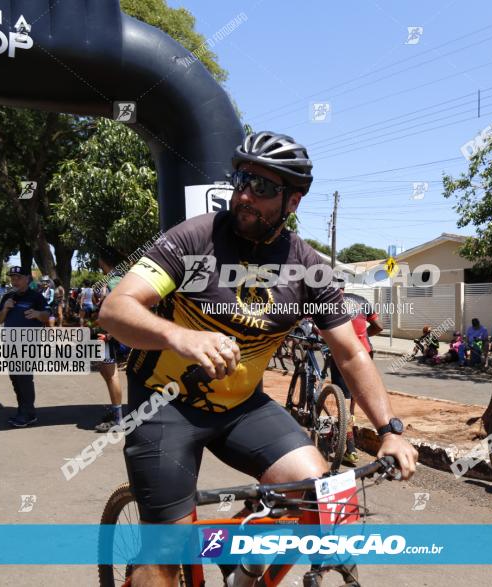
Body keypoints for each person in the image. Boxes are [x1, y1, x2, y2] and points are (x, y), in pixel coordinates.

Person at [99, 131, 416, 587]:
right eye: (242, 178)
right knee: (165, 555)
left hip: (241, 407)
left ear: (293, 202)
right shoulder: (195, 237)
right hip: (162, 406)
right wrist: (180, 336)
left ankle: (240, 559)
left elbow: (350, 351)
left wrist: (389, 430)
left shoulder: (309, 267)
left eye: (263, 187)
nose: (245, 194)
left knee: (314, 490)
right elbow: (116, 309)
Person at [327, 291, 383, 466]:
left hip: (343, 354)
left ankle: (350, 449)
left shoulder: (330, 302)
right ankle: (348, 433)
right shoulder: (361, 300)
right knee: (353, 401)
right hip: (365, 352)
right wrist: (361, 336)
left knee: (343, 401)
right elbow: (379, 326)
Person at [0, 266, 50, 427]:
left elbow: (47, 315)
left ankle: (27, 413)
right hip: (10, 343)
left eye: (18, 277)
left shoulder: (36, 297)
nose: (14, 281)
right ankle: (24, 410)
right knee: (15, 379)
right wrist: (5, 308)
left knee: (24, 378)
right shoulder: (8, 297)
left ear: (27, 279)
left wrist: (38, 314)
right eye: (12, 278)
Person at [92, 249, 128, 433]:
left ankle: (118, 418)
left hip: (109, 335)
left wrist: (111, 334)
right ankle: (117, 414)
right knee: (107, 373)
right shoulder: (121, 278)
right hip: (111, 334)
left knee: (111, 374)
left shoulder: (113, 281)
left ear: (103, 261)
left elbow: (121, 309)